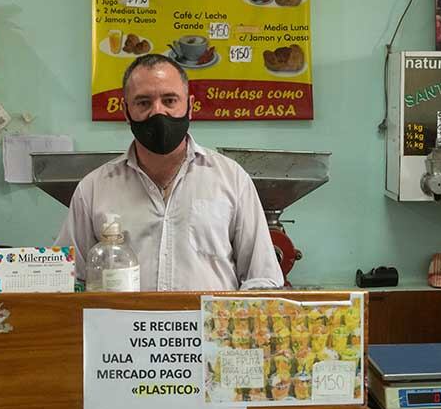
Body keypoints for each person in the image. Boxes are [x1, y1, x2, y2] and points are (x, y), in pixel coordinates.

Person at [55, 54, 283, 291]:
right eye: (143, 102)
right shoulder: (94, 188)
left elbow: (262, 279)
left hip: (210, 326)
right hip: (122, 327)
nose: (158, 112)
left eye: (170, 100)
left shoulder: (232, 179)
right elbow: (69, 281)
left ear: (190, 106)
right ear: (126, 111)